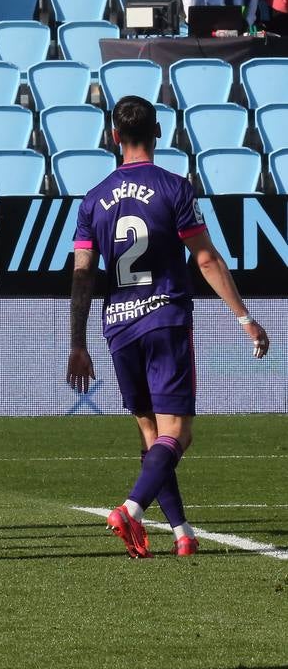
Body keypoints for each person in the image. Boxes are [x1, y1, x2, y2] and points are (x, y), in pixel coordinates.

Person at [67, 96, 270, 558]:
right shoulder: (175, 187)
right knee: (177, 433)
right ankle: (131, 509)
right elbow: (205, 258)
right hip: (164, 319)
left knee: (152, 435)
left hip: (117, 327)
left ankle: (181, 532)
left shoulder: (93, 199)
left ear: (113, 137)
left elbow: (82, 276)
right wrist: (244, 317)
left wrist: (77, 343)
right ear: (158, 134)